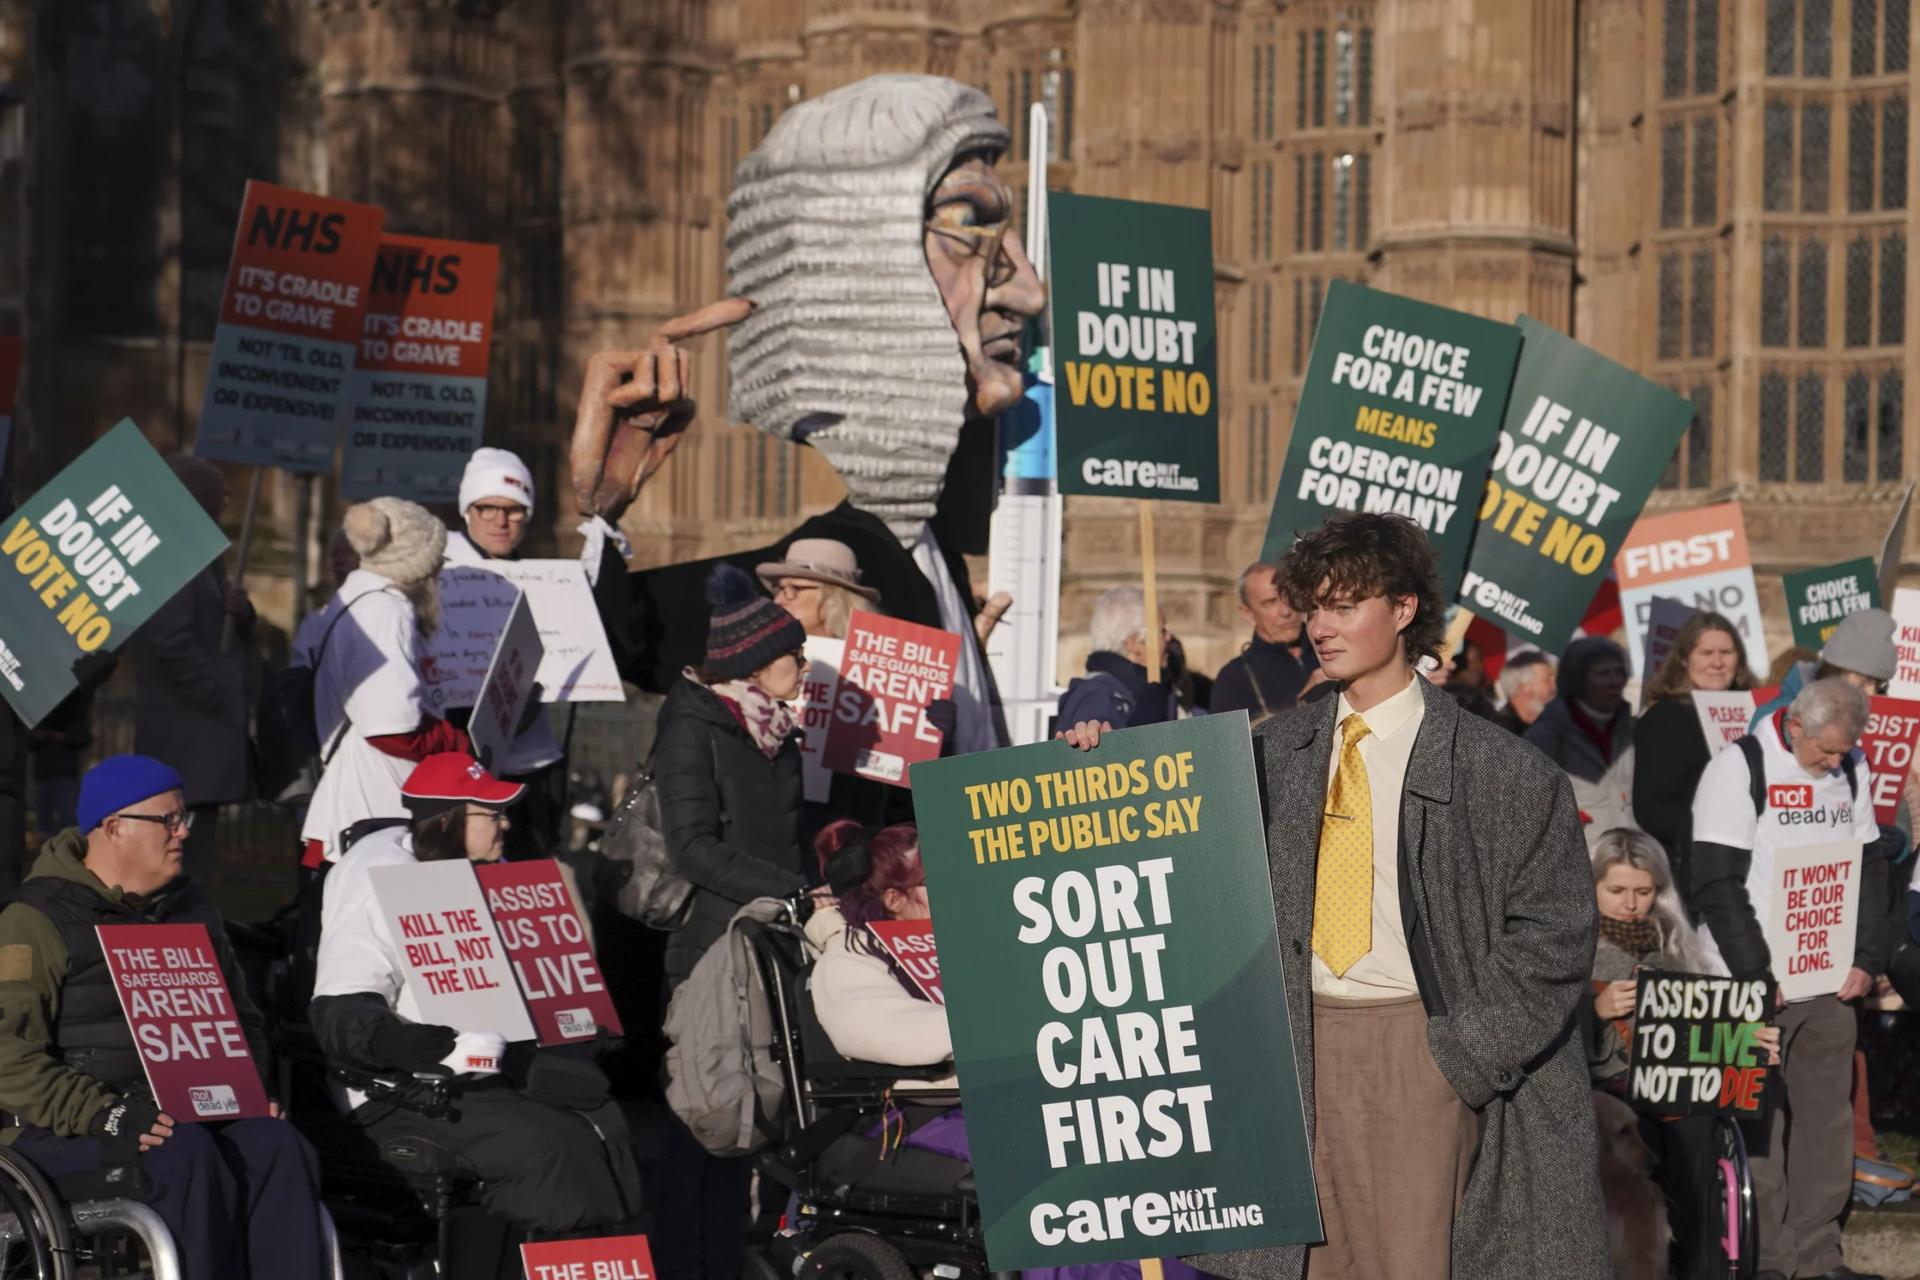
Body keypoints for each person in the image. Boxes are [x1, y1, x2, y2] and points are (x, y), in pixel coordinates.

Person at [1062, 512, 1609, 1280]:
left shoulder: (1503, 772)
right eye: (1313, 606)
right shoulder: (1267, 752)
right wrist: (1094, 773)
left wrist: (1462, 1057)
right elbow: (1166, 849)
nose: (1320, 625)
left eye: (1344, 605)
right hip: (1289, 1052)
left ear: (1405, 609)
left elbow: (1554, 935)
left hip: (1423, 1049)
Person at [575, 75, 1038, 756]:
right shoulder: (828, 560)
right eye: (970, 222)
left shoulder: (928, 549)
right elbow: (625, 643)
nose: (1027, 289)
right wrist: (601, 516)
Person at [0, 755, 325, 1279]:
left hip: (174, 1116)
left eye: (184, 819)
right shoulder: (37, 919)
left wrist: (240, 1089)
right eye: (167, 820)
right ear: (114, 828)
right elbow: (7, 1058)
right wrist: (105, 1114)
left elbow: (243, 1023)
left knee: (275, 1145)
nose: (183, 833)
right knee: (185, 1152)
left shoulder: (193, 910)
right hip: (63, 1130)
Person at [310, 752, 641, 1243]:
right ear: (446, 822)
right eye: (490, 814)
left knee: (602, 1120)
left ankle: (587, 1257)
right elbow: (342, 1010)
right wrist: (425, 1046)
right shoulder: (378, 881)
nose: (505, 824)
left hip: (494, 1064)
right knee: (546, 1146)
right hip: (407, 1082)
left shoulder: (484, 871)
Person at [1692, 678, 1888, 1280]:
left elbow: (1870, 865)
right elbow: (1717, 882)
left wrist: (1867, 956)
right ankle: (1769, 1260)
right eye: (1826, 751)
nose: (1835, 763)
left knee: (1825, 1121)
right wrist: (1756, 973)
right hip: (1751, 979)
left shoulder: (1851, 766)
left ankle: (1818, 1255)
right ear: (1796, 724)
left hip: (1828, 980)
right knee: (1760, 1123)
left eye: (1844, 751)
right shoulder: (1739, 767)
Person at [654, 564, 810, 1280]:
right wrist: (793, 890)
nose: (804, 667)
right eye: (793, 656)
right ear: (752, 664)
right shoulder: (696, 722)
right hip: (711, 952)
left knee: (745, 1121)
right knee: (700, 1120)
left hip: (765, 945)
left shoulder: (778, 729)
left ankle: (720, 1263)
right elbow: (693, 848)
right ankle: (683, 1266)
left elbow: (785, 832)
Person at [1583, 829, 1776, 1280]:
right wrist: (1594, 1011)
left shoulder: (1679, 951)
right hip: (1600, 1090)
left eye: (1643, 891)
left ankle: (1696, 1266)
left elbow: (1709, 1033)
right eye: (1616, 891)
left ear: (1660, 891)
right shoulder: (1570, 950)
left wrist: (1749, 1041)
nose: (1630, 904)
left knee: (1697, 1127)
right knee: (1622, 1126)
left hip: (1670, 1095)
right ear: (1589, 887)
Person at [300, 498, 468, 868]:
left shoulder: (357, 600)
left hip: (366, 799)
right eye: (436, 559)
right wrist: (455, 741)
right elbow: (391, 731)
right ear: (418, 563)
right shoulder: (384, 610)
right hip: (375, 806)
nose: (439, 570)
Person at [440, 448, 576, 854]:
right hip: (467, 761)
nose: (501, 520)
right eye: (487, 508)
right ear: (468, 510)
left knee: (530, 877)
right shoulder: (443, 572)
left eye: (514, 510)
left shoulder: (543, 577)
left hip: (533, 762)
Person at [130, 454, 253, 880]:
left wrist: (241, 611)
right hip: (187, 738)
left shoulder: (199, 554)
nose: (226, 506)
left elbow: (205, 627)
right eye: (221, 497)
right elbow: (171, 640)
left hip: (199, 737)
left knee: (195, 857)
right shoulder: (172, 555)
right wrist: (214, 690)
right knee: (182, 859)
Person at [1632, 612, 1758, 909]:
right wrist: (1715, 832)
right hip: (1692, 876)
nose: (1717, 662)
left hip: (1756, 872)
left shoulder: (1759, 714)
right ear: (1685, 659)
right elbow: (1651, 809)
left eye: (1726, 652)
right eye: (1706, 653)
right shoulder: (1664, 719)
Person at [1525, 636, 1636, 842]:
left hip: (1631, 853)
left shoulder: (1633, 729)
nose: (1614, 682)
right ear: (1579, 680)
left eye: (1619, 672)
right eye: (1603, 674)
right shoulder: (1546, 736)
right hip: (1580, 858)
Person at [1055, 586, 1178, 731]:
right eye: (1162, 631)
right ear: (1134, 641)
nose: (1169, 637)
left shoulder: (1151, 691)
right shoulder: (1095, 696)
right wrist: (1092, 732)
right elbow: (1094, 736)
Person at [1752, 608, 1897, 728]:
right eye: (1865, 681)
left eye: (1879, 685)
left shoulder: (1880, 723)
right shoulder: (1772, 719)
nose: (1871, 693)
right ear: (1838, 668)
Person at [1210, 562, 1317, 723]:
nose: (1286, 611)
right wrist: (1303, 700)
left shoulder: (1330, 647)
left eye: (1288, 596)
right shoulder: (1234, 678)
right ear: (1248, 614)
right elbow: (1230, 744)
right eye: (1271, 602)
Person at [755, 538, 882, 639]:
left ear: (833, 599)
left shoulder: (870, 662)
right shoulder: (762, 658)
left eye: (795, 588)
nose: (778, 600)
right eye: (780, 589)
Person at [1492, 649, 1555, 736]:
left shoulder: (1555, 723)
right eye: (1548, 679)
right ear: (1524, 686)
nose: (1555, 685)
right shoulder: (1498, 733)